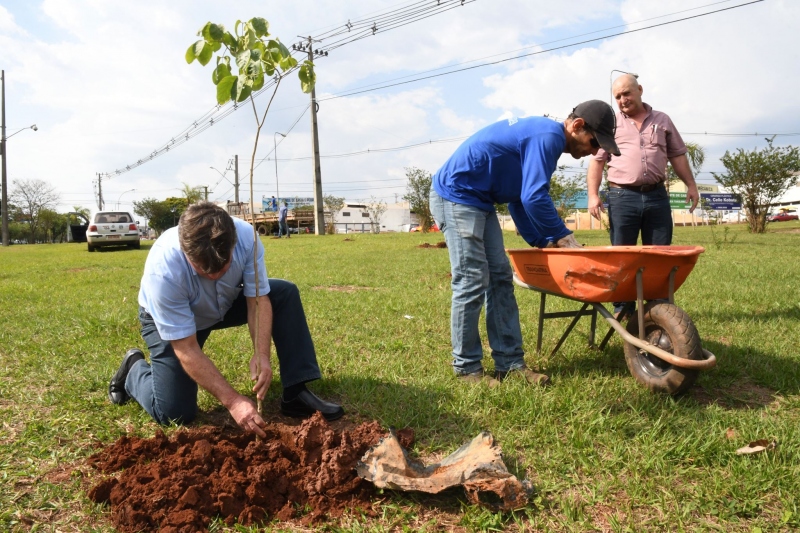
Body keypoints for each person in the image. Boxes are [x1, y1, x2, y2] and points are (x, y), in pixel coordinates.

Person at [108, 202, 343, 437]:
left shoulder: (246, 238)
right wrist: (233, 401)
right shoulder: (163, 271)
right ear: (186, 250)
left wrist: (261, 354)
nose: (213, 275)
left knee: (284, 293)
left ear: (232, 243)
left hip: (225, 302)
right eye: (203, 269)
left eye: (222, 266)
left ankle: (295, 393)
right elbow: (186, 348)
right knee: (174, 412)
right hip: (178, 319)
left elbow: (257, 298)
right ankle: (133, 369)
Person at [430, 100, 621, 387]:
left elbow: (520, 198)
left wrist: (543, 240)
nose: (594, 152)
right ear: (578, 126)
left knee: (500, 279)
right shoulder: (550, 137)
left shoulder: (547, 139)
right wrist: (563, 237)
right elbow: (534, 196)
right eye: (594, 142)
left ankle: (510, 364)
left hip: (480, 200)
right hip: (456, 195)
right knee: (471, 279)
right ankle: (467, 370)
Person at [587, 73, 699, 247]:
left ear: (640, 90)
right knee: (622, 254)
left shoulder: (662, 120)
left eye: (626, 93)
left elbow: (677, 155)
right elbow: (597, 161)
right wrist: (593, 196)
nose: (623, 100)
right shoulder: (610, 124)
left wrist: (691, 185)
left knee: (659, 253)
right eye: (618, 97)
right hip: (622, 197)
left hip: (657, 196)